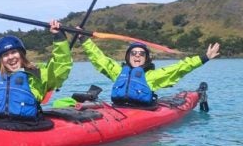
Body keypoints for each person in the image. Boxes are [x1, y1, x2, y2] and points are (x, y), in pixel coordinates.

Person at [0, 3, 73, 122]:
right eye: (5, 55)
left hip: (28, 126)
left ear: (21, 54)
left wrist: (59, 37)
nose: (10, 57)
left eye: (14, 52)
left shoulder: (38, 74)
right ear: (1, 60)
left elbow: (61, 65)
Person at [81, 38, 220, 107]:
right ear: (128, 57)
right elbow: (99, 59)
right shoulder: (118, 72)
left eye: (141, 54)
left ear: (146, 58)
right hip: (119, 109)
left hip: (143, 112)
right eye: (133, 53)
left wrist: (204, 58)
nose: (137, 56)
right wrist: (84, 40)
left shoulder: (152, 76)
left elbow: (180, 67)